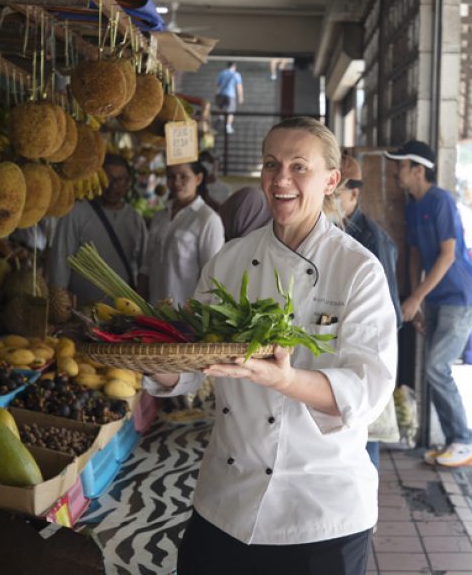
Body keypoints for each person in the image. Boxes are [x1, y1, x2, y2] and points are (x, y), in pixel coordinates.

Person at [144, 116, 397, 574]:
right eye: (271, 164)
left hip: (321, 514)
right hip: (225, 500)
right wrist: (142, 357)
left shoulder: (358, 270)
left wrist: (286, 380)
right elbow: (187, 369)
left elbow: (366, 392)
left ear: (330, 180)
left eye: (299, 166)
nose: (281, 178)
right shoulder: (230, 261)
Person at [386, 140, 472, 468]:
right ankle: (454, 441)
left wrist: (414, 298)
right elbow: (413, 255)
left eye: (399, 166)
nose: (395, 172)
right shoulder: (412, 205)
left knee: (436, 368)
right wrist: (418, 300)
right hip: (437, 298)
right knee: (435, 370)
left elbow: (447, 255)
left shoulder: (440, 201)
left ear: (418, 169)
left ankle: (464, 440)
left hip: (459, 297)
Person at [335, 152, 401, 468]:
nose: (327, 200)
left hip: (363, 366)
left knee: (364, 455)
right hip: (334, 368)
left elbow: (392, 317)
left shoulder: (372, 241)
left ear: (354, 194)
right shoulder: (335, 233)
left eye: (335, 194)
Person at [47, 155, 146, 304]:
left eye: (120, 180)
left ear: (128, 183)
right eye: (108, 178)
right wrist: (59, 303)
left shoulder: (135, 220)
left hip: (126, 312)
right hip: (83, 310)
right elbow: (61, 260)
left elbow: (145, 267)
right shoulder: (76, 213)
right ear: (98, 179)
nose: (113, 186)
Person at [139, 161, 224, 307]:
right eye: (171, 176)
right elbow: (146, 268)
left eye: (184, 176)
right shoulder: (160, 216)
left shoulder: (208, 219)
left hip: (185, 318)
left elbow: (212, 279)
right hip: (153, 313)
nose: (177, 182)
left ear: (198, 179)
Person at [214, 61, 243, 133]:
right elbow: (239, 87)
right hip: (231, 95)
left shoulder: (222, 73)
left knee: (220, 109)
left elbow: (217, 85)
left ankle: (220, 117)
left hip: (220, 94)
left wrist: (216, 93)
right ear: (234, 66)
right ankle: (228, 126)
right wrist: (240, 97)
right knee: (231, 111)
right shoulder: (236, 74)